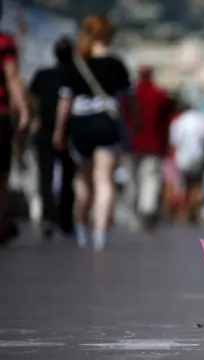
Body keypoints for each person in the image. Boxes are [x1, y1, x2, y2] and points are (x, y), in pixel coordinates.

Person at [52, 15, 134, 251]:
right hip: (107, 123)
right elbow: (129, 98)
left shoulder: (75, 65)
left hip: (81, 126)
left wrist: (59, 131)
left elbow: (64, 102)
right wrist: (134, 123)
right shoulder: (116, 64)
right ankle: (100, 233)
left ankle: (81, 229)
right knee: (104, 179)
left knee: (83, 181)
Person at [28, 36, 76, 238]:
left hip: (44, 130)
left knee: (45, 176)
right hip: (70, 131)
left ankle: (48, 217)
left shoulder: (43, 75)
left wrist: (34, 118)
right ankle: (66, 219)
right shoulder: (75, 75)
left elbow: (29, 98)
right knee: (68, 177)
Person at [121, 65, 173, 231]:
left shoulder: (130, 95)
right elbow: (166, 121)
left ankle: (134, 214)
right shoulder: (160, 95)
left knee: (132, 180)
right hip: (153, 144)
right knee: (150, 177)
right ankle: (147, 209)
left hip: (131, 143)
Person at [0, 0, 29, 245]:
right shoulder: (5, 42)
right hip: (0, 113)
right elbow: (11, 77)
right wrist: (24, 110)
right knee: (2, 173)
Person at [169, 104, 204, 224]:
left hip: (183, 159)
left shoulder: (178, 121)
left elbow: (174, 141)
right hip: (198, 157)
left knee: (186, 186)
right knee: (197, 185)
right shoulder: (202, 119)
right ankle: (194, 212)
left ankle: (187, 211)